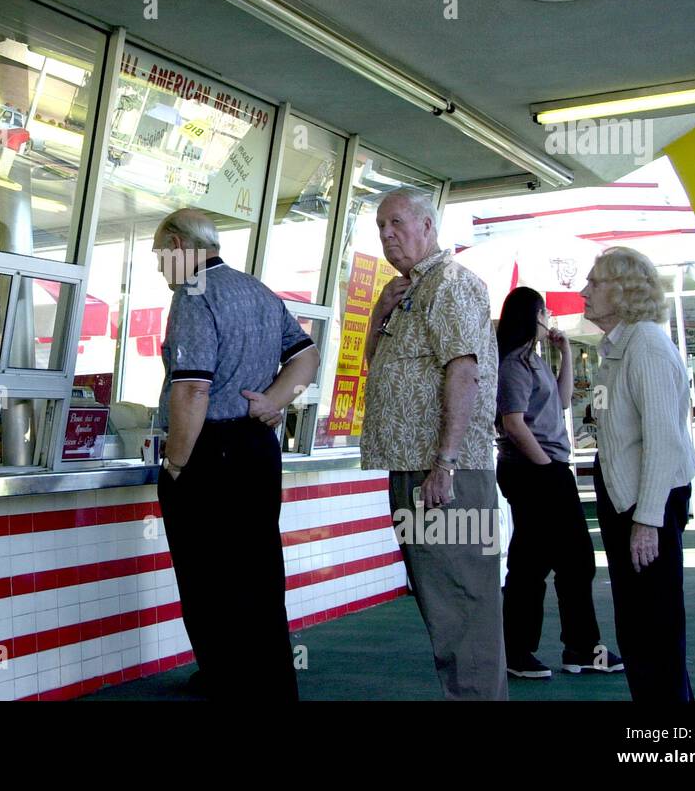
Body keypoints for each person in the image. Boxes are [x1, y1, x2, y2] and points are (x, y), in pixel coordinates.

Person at [152, 208, 319, 701]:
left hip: (211, 454)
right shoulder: (258, 291)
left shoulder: (193, 295)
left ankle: (226, 678)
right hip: (257, 451)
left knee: (207, 577)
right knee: (260, 571)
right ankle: (270, 682)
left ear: (181, 247)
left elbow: (191, 392)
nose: (161, 267)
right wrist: (275, 401)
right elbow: (307, 355)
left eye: (162, 256)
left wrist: (176, 465)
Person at [360, 186, 506, 700]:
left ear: (427, 226)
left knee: (463, 609)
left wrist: (444, 462)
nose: (387, 235)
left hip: (445, 476)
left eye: (396, 223)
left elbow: (463, 371)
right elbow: (378, 369)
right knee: (442, 610)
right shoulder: (408, 291)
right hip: (414, 471)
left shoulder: (450, 282)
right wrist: (378, 312)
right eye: (381, 227)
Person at [580, 246, 695, 702]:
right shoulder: (618, 346)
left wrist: (647, 521)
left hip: (648, 504)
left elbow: (663, 441)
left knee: (654, 629)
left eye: (594, 282)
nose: (584, 291)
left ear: (624, 290)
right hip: (628, 501)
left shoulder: (645, 344)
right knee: (638, 628)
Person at [495, 286, 622, 679]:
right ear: (532, 316)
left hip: (546, 468)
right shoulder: (513, 364)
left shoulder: (534, 360)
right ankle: (528, 650)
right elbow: (511, 422)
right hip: (534, 471)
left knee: (562, 561)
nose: (549, 317)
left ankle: (575, 647)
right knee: (545, 562)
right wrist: (546, 466)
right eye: (544, 311)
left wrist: (565, 352)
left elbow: (564, 401)